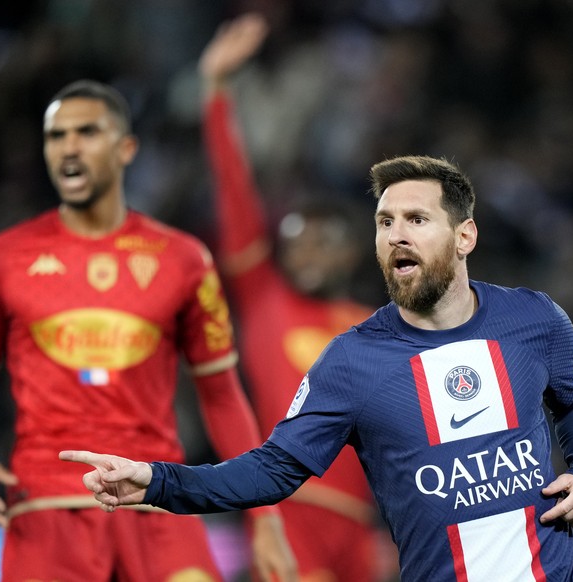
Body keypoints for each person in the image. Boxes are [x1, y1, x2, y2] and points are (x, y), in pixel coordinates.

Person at [61, 154, 573, 582]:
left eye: (417, 219)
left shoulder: (533, 318)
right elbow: (271, 470)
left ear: (465, 236)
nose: (397, 234)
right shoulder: (352, 361)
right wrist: (158, 481)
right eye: (385, 221)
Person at [0, 79, 297, 582]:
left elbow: (221, 395)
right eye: (56, 135)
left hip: (158, 497)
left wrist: (265, 516)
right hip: (46, 507)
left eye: (86, 132)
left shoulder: (184, 260)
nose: (69, 147)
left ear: (126, 147)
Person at [198, 14, 392, 582]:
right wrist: (215, 92)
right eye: (294, 243)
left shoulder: (376, 328)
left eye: (321, 244)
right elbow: (235, 191)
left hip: (359, 527)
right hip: (287, 512)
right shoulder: (264, 299)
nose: (304, 255)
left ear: (351, 254)